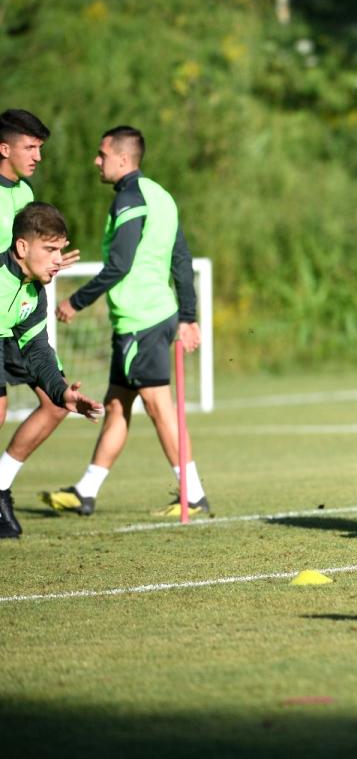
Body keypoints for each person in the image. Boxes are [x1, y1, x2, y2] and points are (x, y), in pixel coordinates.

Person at [44, 126, 208, 518]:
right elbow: (181, 259)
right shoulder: (161, 196)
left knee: (159, 408)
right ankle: (86, 491)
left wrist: (76, 301)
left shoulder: (129, 199)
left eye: (101, 154)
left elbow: (120, 264)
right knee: (117, 405)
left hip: (141, 322)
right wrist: (187, 316)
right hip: (153, 317)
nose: (96, 161)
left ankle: (194, 495)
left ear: (122, 158)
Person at [0, 203, 102, 537]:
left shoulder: (33, 292)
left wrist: (61, 392)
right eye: (50, 249)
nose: (59, 259)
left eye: (61, 249)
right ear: (22, 247)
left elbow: (37, 349)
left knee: (54, 403)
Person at [0, 109, 83, 517]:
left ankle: (1, 486)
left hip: (19, 314)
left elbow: (28, 249)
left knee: (58, 400)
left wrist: (46, 261)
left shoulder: (26, 193)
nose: (38, 156)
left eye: (40, 148)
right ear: (4, 148)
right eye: (30, 147)